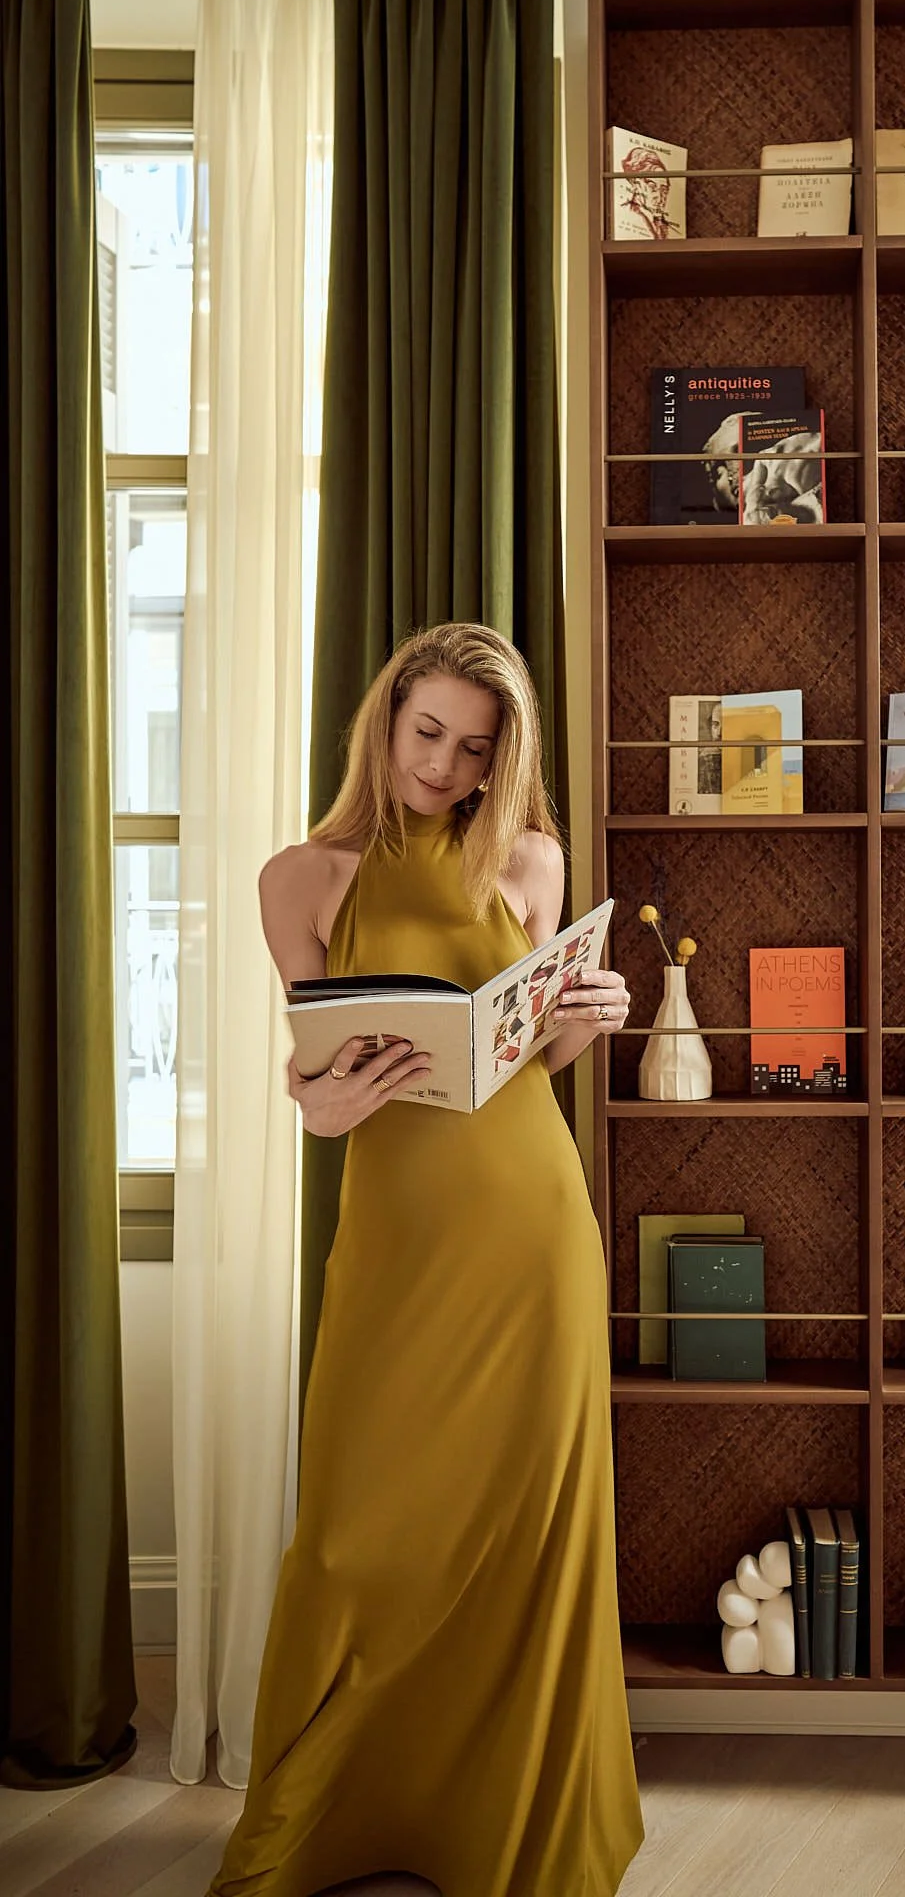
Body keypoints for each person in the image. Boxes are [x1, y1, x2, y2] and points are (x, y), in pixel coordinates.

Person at [206, 622, 645, 1897]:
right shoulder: (305, 876)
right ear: (384, 721)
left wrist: (585, 1018)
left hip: (532, 1230)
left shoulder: (528, 858)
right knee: (358, 1536)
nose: (447, 767)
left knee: (527, 1529)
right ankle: (332, 1814)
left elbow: (530, 1063)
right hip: (397, 1237)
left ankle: (510, 1827)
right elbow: (312, 1093)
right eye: (429, 735)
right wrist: (333, 1100)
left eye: (476, 747)